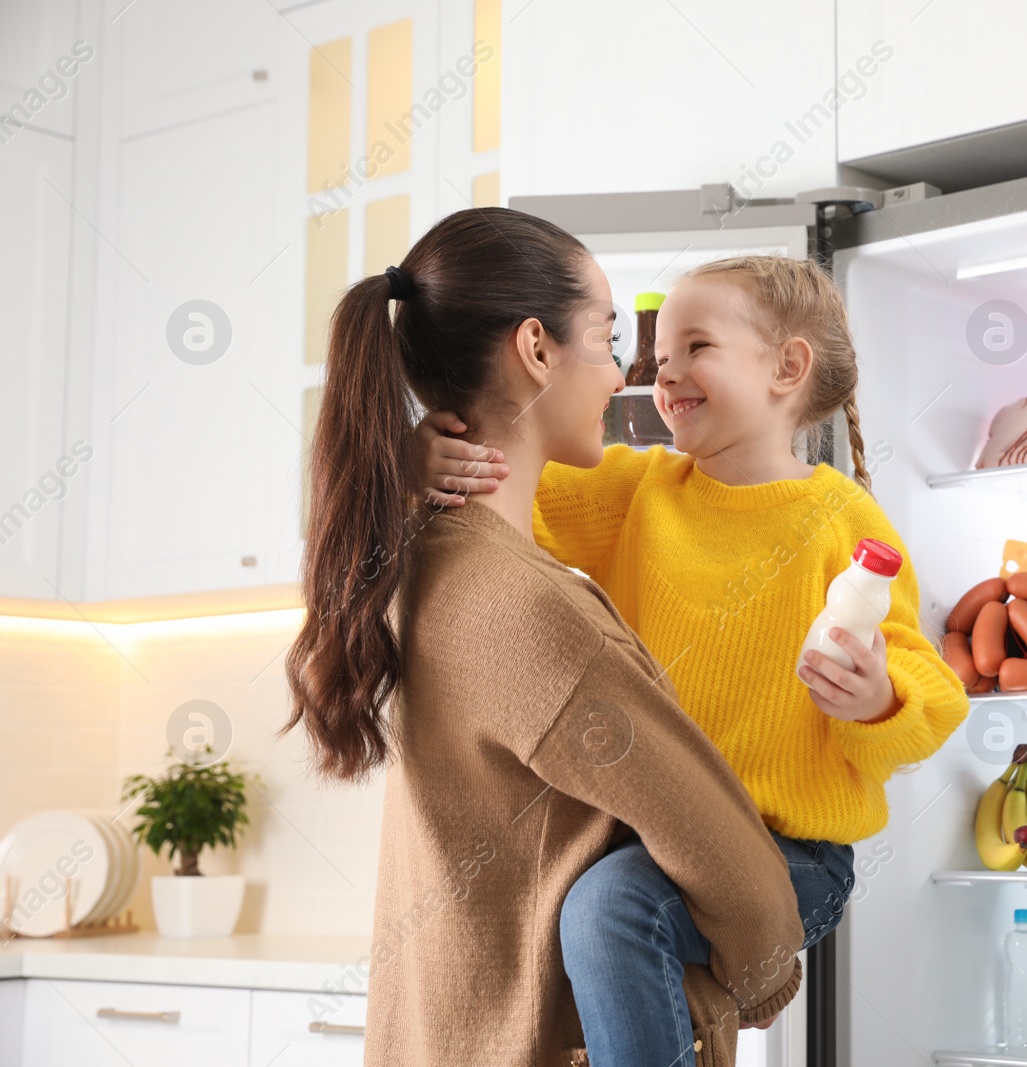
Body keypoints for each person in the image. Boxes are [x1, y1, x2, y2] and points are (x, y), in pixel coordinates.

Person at [416, 255, 970, 1065]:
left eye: (696, 346)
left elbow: (932, 693)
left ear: (787, 368)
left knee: (605, 906)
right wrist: (423, 459)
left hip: (794, 856)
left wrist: (878, 698)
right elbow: (504, 480)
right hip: (669, 844)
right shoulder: (640, 489)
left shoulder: (842, 522)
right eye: (659, 352)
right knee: (593, 910)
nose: (664, 371)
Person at [285, 209, 803, 1067]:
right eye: (605, 339)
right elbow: (728, 856)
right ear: (535, 348)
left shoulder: (412, 566)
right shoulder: (525, 613)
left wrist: (411, 472)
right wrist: (759, 977)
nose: (620, 373)